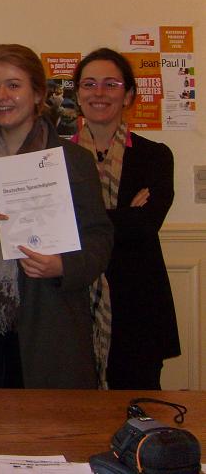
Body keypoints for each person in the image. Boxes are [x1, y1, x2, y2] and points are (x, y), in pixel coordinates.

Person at [0, 44, 113, 389]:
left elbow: (99, 239)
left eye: (13, 85)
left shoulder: (72, 160)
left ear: (38, 93)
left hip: (50, 321)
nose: (1, 96)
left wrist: (63, 266)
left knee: (49, 431)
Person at [72, 47, 179, 389]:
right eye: (89, 84)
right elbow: (52, 231)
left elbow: (146, 225)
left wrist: (84, 220)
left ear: (129, 94)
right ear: (77, 95)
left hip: (139, 308)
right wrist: (124, 215)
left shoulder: (155, 157)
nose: (98, 93)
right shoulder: (54, 158)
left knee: (139, 416)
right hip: (73, 307)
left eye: (110, 84)